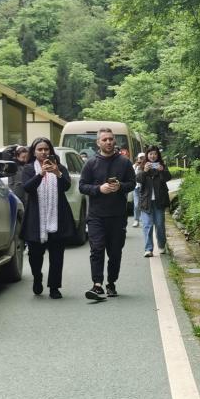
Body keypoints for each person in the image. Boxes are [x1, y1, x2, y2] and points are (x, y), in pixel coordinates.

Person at [79, 127, 135, 301]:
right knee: (97, 249)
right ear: (98, 143)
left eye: (111, 139)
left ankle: (111, 282)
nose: (108, 142)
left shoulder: (124, 162)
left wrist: (121, 187)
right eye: (104, 140)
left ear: (114, 141)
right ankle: (97, 285)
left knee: (115, 252)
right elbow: (82, 186)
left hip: (117, 215)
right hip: (96, 215)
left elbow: (132, 183)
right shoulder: (90, 163)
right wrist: (99, 189)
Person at [20, 138, 75, 299]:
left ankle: (54, 287)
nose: (43, 152)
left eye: (46, 149)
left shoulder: (59, 167)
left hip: (58, 217)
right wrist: (41, 174)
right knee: (35, 256)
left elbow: (66, 186)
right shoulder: (29, 168)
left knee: (57, 256)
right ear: (34, 152)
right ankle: (37, 278)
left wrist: (57, 173)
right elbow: (27, 188)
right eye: (40, 149)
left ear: (50, 151)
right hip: (36, 220)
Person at [136, 145, 171, 257]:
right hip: (146, 201)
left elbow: (168, 178)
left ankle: (161, 245)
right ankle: (148, 249)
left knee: (160, 225)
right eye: (150, 154)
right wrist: (145, 171)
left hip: (159, 201)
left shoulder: (162, 166)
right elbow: (138, 180)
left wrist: (161, 171)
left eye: (155, 154)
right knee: (147, 225)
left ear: (157, 155)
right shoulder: (142, 166)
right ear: (147, 155)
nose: (153, 156)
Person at [132, 152, 145, 227]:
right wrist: (136, 167)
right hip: (136, 188)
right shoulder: (134, 166)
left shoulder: (147, 165)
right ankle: (136, 220)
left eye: (143, 157)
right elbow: (131, 175)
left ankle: (144, 219)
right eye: (140, 158)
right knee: (137, 204)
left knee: (144, 204)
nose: (141, 159)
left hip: (145, 188)